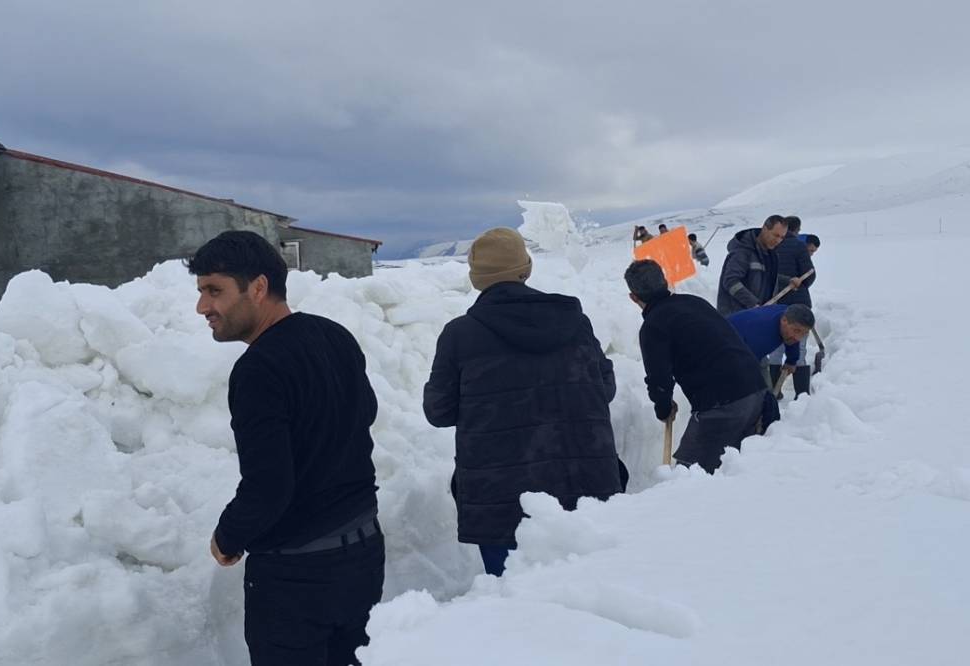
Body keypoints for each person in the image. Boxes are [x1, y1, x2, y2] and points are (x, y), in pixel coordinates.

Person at [188, 230, 384, 666]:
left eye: (214, 291)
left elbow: (269, 487)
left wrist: (228, 536)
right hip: (364, 554)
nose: (203, 307)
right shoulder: (333, 336)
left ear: (257, 288)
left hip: (298, 577)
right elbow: (364, 414)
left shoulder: (258, 369)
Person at [423, 228, 622, 577]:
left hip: (501, 500)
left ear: (476, 280)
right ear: (526, 269)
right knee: (592, 598)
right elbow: (604, 391)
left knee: (517, 609)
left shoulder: (460, 335)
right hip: (586, 485)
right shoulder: (576, 323)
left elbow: (439, 412)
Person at [626, 259, 768, 474]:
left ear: (634, 297)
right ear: (665, 281)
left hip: (723, 402)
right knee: (734, 466)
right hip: (756, 388)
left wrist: (663, 408)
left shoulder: (653, 326)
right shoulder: (695, 302)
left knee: (689, 474)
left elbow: (660, 380)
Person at [727, 303, 815, 396]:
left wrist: (791, 361)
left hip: (749, 348)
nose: (799, 338)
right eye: (796, 331)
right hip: (727, 347)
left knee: (764, 396)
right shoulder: (762, 334)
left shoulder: (787, 315)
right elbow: (746, 368)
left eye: (804, 333)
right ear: (784, 320)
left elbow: (792, 340)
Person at [772, 216, 816, 397]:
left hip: (775, 304)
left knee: (775, 349)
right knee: (800, 348)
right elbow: (810, 275)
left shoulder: (770, 246)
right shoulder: (799, 246)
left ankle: (775, 392)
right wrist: (799, 283)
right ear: (796, 231)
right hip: (799, 303)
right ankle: (802, 394)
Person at [716, 215, 788, 316]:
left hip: (758, 315)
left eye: (782, 237)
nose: (778, 241)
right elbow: (730, 281)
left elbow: (765, 276)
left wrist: (789, 281)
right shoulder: (742, 252)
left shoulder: (771, 255)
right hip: (737, 317)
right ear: (765, 229)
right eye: (776, 235)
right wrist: (753, 303)